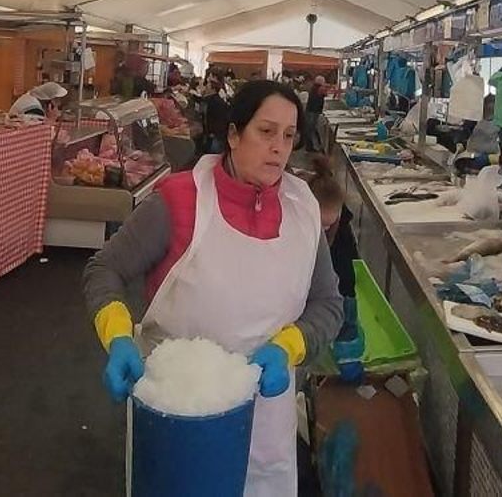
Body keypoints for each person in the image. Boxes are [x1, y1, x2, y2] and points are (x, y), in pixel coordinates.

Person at [83, 80, 342, 495]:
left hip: (266, 422)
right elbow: (105, 268)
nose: (279, 146)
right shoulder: (180, 200)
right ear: (234, 135)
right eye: (266, 131)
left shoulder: (303, 211)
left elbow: (328, 304)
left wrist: (290, 345)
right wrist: (116, 335)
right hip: (181, 415)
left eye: (289, 136)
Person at [307, 154, 356, 299]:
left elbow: (346, 283)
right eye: (319, 224)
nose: (324, 230)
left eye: (328, 225)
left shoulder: (342, 238)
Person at [200, 74, 231, 155]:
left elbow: (220, 119)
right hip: (214, 134)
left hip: (216, 135)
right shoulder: (214, 100)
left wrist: (212, 132)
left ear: (213, 89)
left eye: (208, 86)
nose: (206, 87)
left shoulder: (215, 102)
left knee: (213, 156)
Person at [303, 74, 328, 152]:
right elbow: (324, 95)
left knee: (309, 130)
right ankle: (312, 147)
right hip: (314, 111)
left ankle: (309, 146)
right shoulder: (320, 88)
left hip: (309, 110)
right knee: (312, 130)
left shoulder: (313, 88)